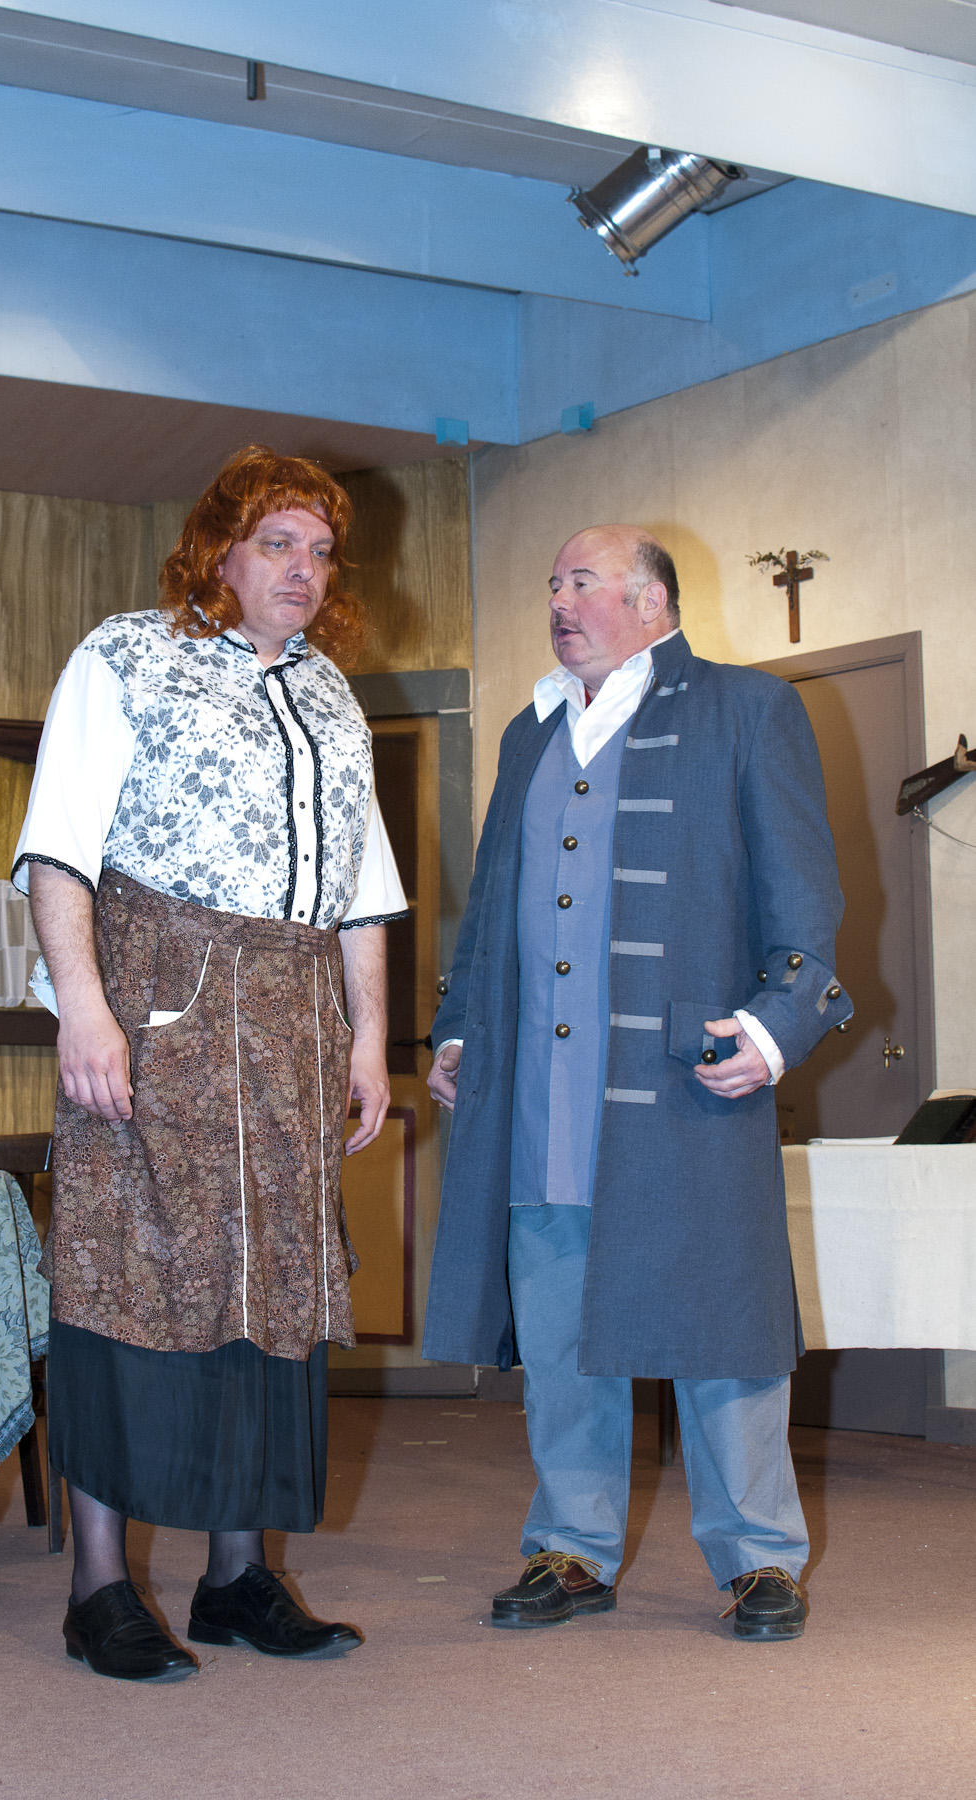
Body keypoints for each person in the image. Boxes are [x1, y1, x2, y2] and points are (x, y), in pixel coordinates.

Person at [12, 445, 407, 1681]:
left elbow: (363, 889)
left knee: (272, 1290)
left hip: (291, 1022)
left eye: (320, 551)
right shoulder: (126, 655)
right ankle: (97, 1587)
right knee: (126, 1275)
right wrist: (84, 1009)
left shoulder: (333, 698)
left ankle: (238, 1577)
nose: (303, 569)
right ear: (217, 553)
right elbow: (59, 850)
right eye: (276, 544)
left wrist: (368, 1037)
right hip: (157, 1007)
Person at [424, 524, 851, 1641]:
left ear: (651, 601)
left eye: (581, 581)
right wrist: (462, 1028)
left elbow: (803, 896)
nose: (557, 601)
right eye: (551, 583)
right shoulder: (527, 730)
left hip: (685, 1083)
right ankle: (570, 1545)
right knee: (560, 1326)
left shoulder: (746, 709)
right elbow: (493, 900)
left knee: (720, 1325)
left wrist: (776, 1026)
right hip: (542, 1089)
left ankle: (759, 1557)